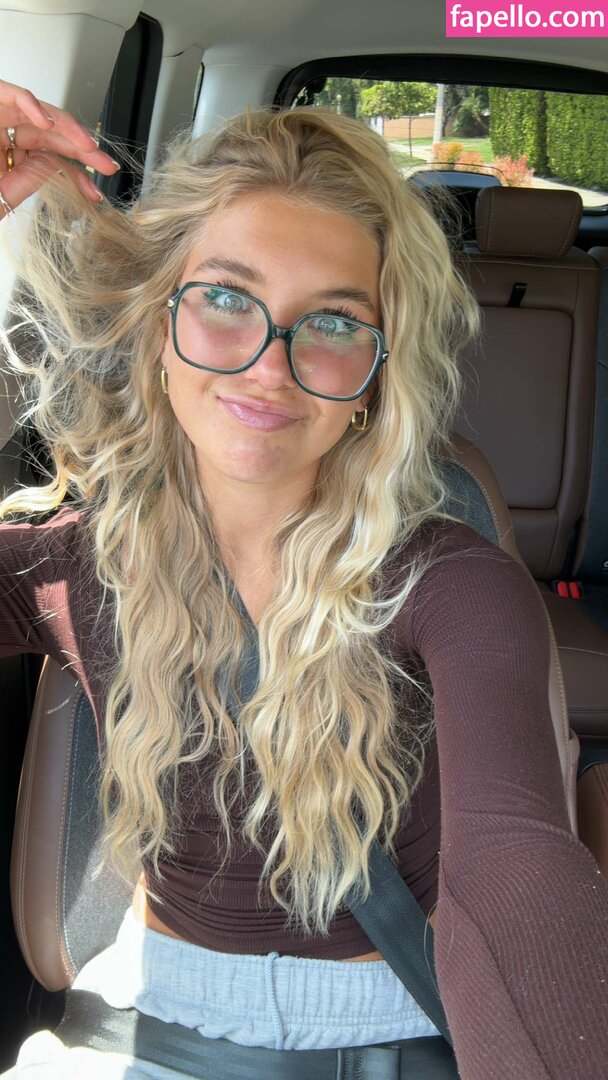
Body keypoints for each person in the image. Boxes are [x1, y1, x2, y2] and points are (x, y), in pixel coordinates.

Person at [0, 77, 607, 1080]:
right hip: (137, 1022)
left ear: (375, 376)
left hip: (397, 1034)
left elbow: (518, 869)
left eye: (332, 323)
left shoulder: (456, 588)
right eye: (225, 298)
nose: (270, 366)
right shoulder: (76, 562)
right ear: (157, 322)